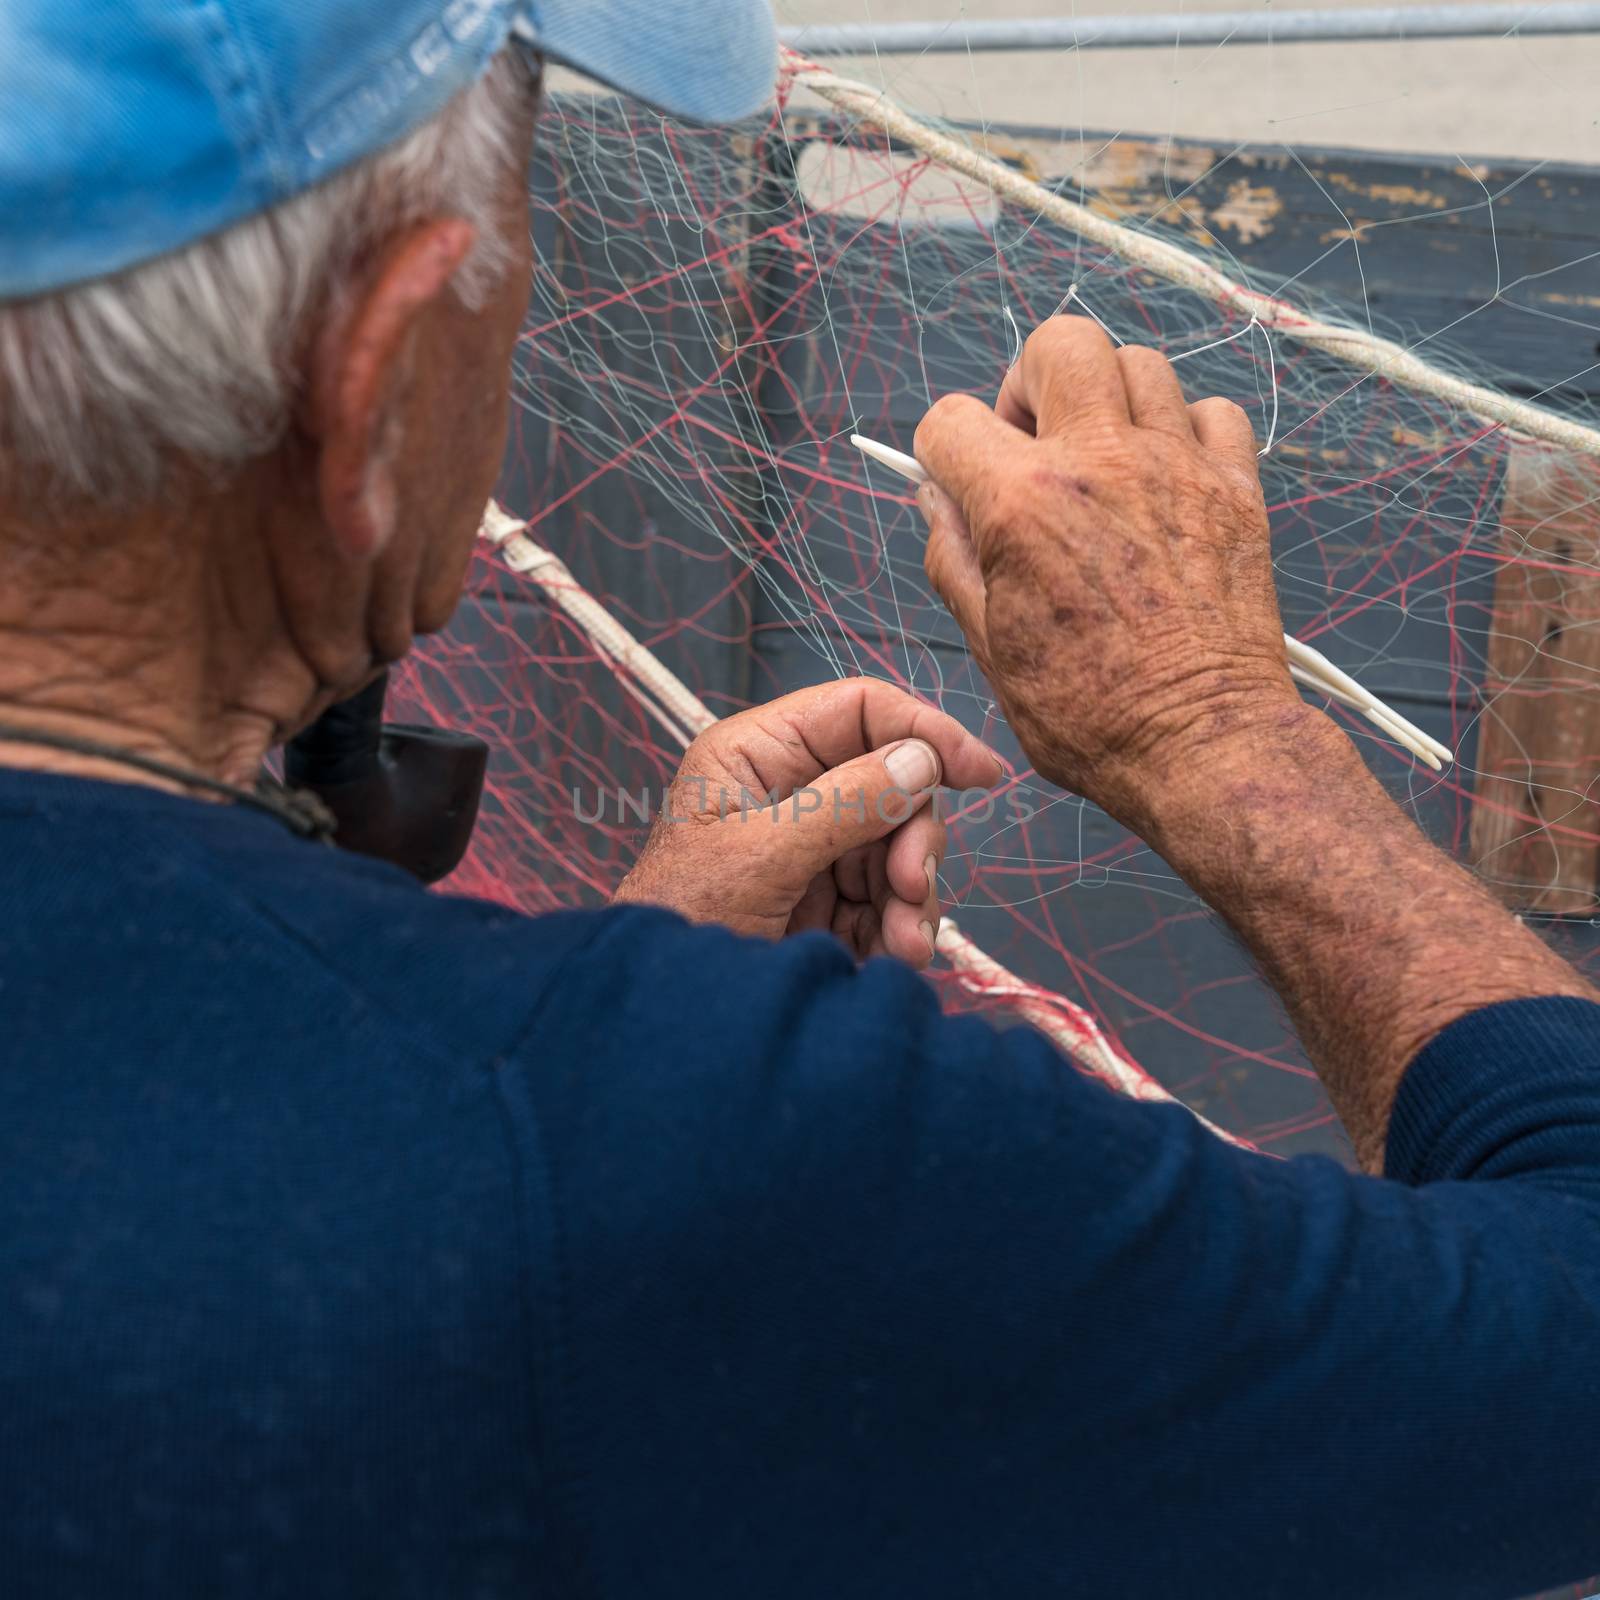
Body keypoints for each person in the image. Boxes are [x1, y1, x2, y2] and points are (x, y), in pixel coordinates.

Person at [1, 3, 1597, 1596]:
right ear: (375, 377)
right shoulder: (684, 1154)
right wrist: (1216, 725)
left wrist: (627, 1006)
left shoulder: (595, 1146)